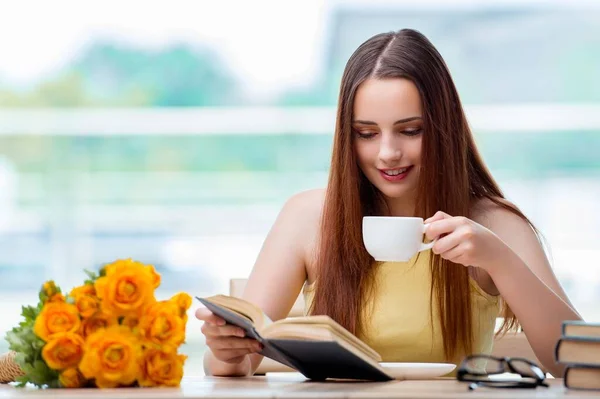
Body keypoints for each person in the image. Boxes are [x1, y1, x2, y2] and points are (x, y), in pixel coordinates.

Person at [195, 28, 581, 377]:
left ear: (444, 129)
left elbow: (574, 361)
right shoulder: (307, 218)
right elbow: (237, 362)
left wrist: (500, 259)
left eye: (410, 131)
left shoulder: (493, 224)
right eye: (366, 133)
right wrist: (225, 353)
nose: (387, 153)